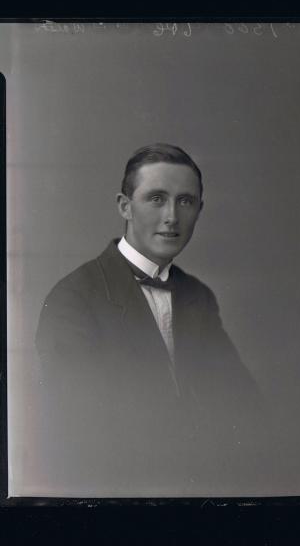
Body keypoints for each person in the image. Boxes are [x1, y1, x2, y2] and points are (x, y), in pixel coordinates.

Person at [34, 143, 261, 497]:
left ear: (199, 210)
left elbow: (242, 404)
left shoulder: (197, 296)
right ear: (125, 206)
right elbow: (73, 426)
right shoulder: (74, 298)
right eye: (156, 198)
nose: (172, 216)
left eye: (185, 201)